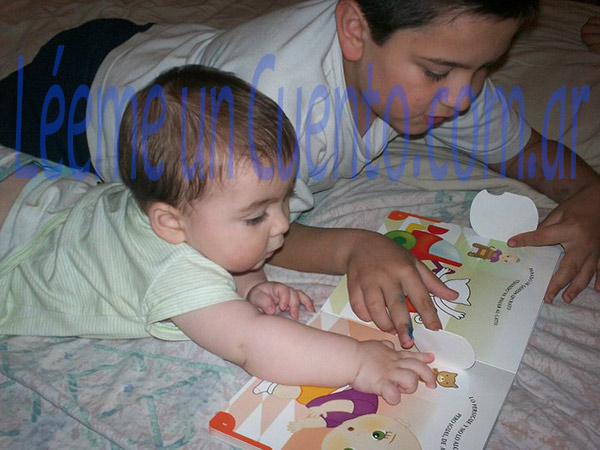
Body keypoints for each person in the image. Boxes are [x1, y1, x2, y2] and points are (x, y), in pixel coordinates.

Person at [1, 0, 599, 348]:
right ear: (355, 31)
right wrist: (354, 248)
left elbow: (527, 152)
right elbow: (238, 231)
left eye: (485, 68)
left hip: (161, 50)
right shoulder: (276, 99)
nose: (464, 97)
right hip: (77, 101)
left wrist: (592, 194)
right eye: (439, 72)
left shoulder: (445, 76)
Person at [0, 65, 438, 404]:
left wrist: (250, 284)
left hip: (54, 200)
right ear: (171, 224)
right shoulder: (175, 272)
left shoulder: (183, 214)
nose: (283, 224)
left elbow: (230, 254)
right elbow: (252, 342)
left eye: (283, 199)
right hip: (20, 250)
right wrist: (359, 361)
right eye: (256, 217)